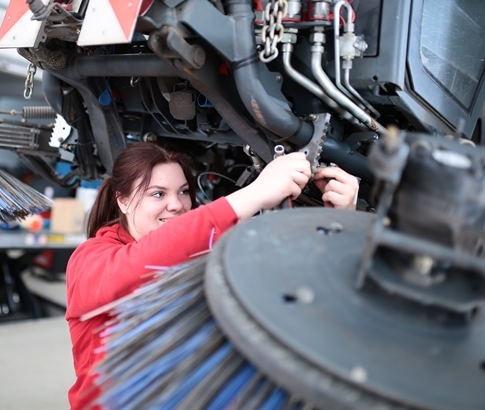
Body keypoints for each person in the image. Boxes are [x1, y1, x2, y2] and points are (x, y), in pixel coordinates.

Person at [64, 142, 359, 409]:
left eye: (183, 192)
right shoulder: (91, 257)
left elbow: (290, 295)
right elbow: (143, 265)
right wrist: (256, 192)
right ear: (123, 201)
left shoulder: (206, 253)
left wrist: (338, 223)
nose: (176, 205)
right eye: (158, 194)